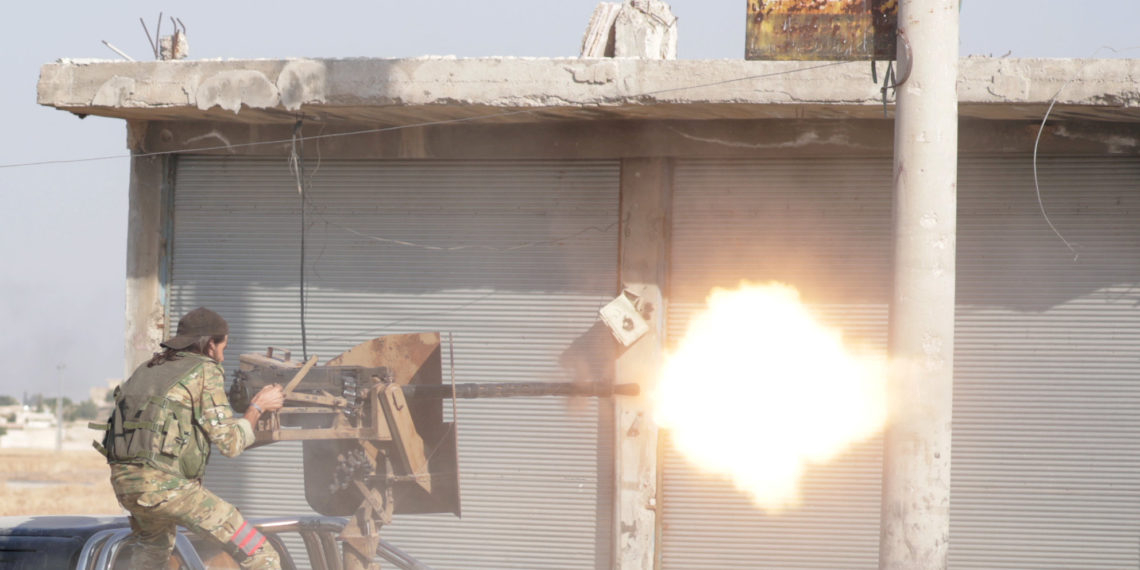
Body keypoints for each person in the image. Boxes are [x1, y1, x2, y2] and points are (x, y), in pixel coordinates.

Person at [91, 307, 286, 569]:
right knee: (259, 552)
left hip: (128, 485)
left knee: (152, 554)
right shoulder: (205, 370)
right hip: (169, 488)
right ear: (210, 345)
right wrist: (258, 407)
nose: (223, 355)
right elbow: (230, 443)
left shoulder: (148, 368)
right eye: (223, 347)